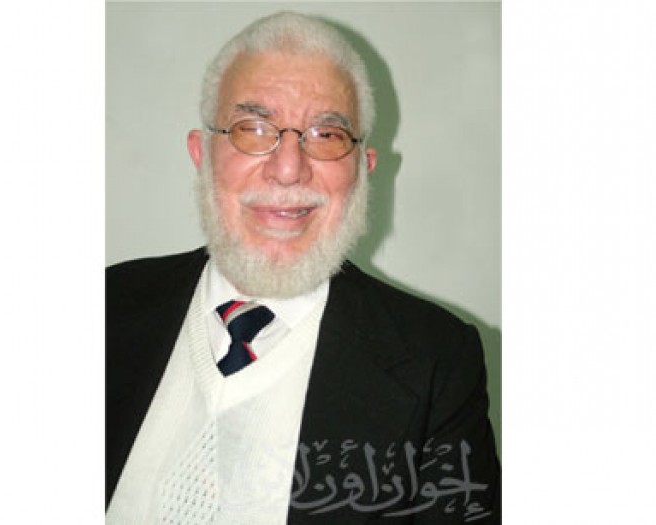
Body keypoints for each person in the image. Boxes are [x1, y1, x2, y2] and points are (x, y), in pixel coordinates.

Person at [106, 11, 500, 524]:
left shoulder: (437, 364)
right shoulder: (107, 306)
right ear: (202, 155)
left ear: (363, 171)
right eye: (253, 129)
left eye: (326, 135)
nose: (289, 168)